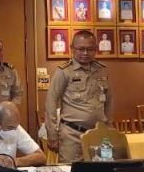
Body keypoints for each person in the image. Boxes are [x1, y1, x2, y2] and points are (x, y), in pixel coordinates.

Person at [45, 31, 112, 162]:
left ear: (95, 49)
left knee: (100, 171)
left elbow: (109, 101)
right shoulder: (64, 71)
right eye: (81, 49)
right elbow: (51, 102)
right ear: (72, 49)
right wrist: (52, 134)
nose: (85, 53)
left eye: (90, 49)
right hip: (72, 135)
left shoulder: (102, 70)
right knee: (72, 171)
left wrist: (109, 126)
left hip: (98, 133)